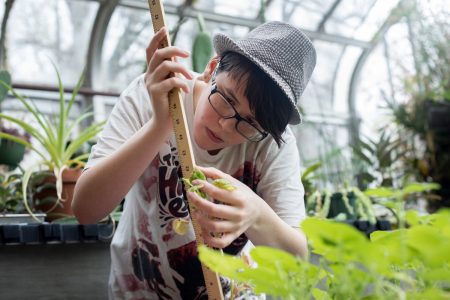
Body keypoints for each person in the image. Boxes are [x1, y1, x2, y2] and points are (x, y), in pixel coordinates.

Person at [72, 21, 316, 299]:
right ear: (211, 70)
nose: (225, 124)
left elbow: (297, 259)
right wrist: (161, 124)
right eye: (226, 99)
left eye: (248, 123)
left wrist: (256, 215)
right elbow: (86, 209)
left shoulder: (271, 143)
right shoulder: (153, 93)